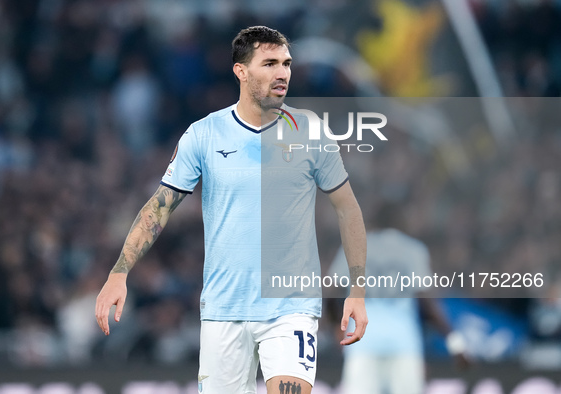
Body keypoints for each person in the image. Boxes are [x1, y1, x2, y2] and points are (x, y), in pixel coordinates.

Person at [95, 26, 368, 394]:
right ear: (241, 71)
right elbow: (159, 208)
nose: (282, 72)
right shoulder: (204, 134)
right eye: (269, 63)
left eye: (286, 63)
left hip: (290, 308)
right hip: (224, 309)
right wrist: (119, 272)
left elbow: (348, 209)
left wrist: (357, 290)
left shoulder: (311, 131)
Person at [328, 203, 470, 394]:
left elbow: (330, 292)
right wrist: (455, 342)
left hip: (361, 340)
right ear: (401, 223)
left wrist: (337, 327)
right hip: (403, 341)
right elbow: (427, 302)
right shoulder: (413, 250)